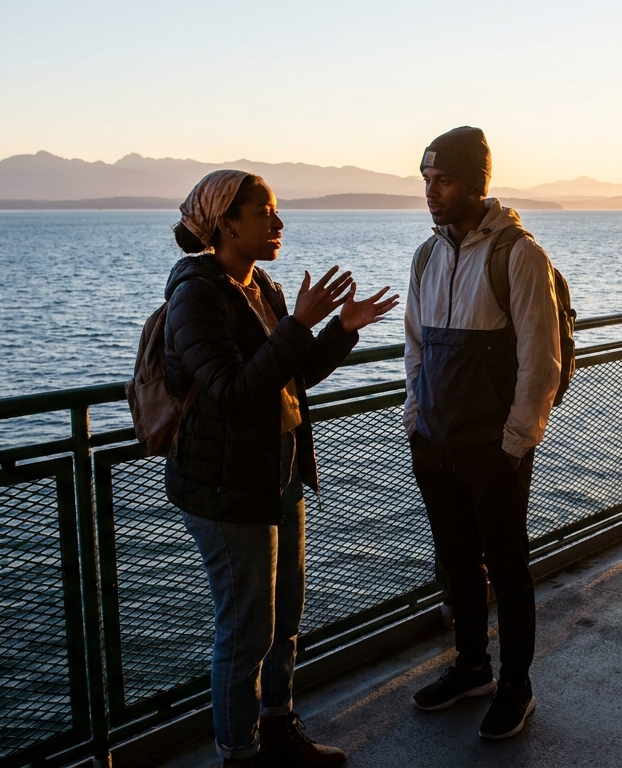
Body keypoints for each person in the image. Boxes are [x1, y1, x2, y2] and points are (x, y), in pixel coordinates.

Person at [164, 170, 398, 767]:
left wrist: (339, 329)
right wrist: (298, 324)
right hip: (225, 485)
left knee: (284, 615)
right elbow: (233, 392)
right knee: (246, 628)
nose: (278, 222)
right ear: (226, 224)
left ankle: (277, 729)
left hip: (278, 471)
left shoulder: (258, 284)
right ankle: (240, 754)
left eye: (276, 210)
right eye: (264, 211)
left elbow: (290, 375)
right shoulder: (196, 295)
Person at [403, 127, 561, 740]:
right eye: (426, 181)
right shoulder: (427, 254)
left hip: (493, 449)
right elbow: (415, 347)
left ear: (476, 183)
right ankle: (473, 668)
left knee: (508, 566)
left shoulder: (517, 254)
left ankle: (516, 685)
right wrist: (416, 419)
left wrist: (515, 442)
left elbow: (540, 359)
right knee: (457, 564)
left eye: (442, 180)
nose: (431, 193)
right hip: (436, 443)